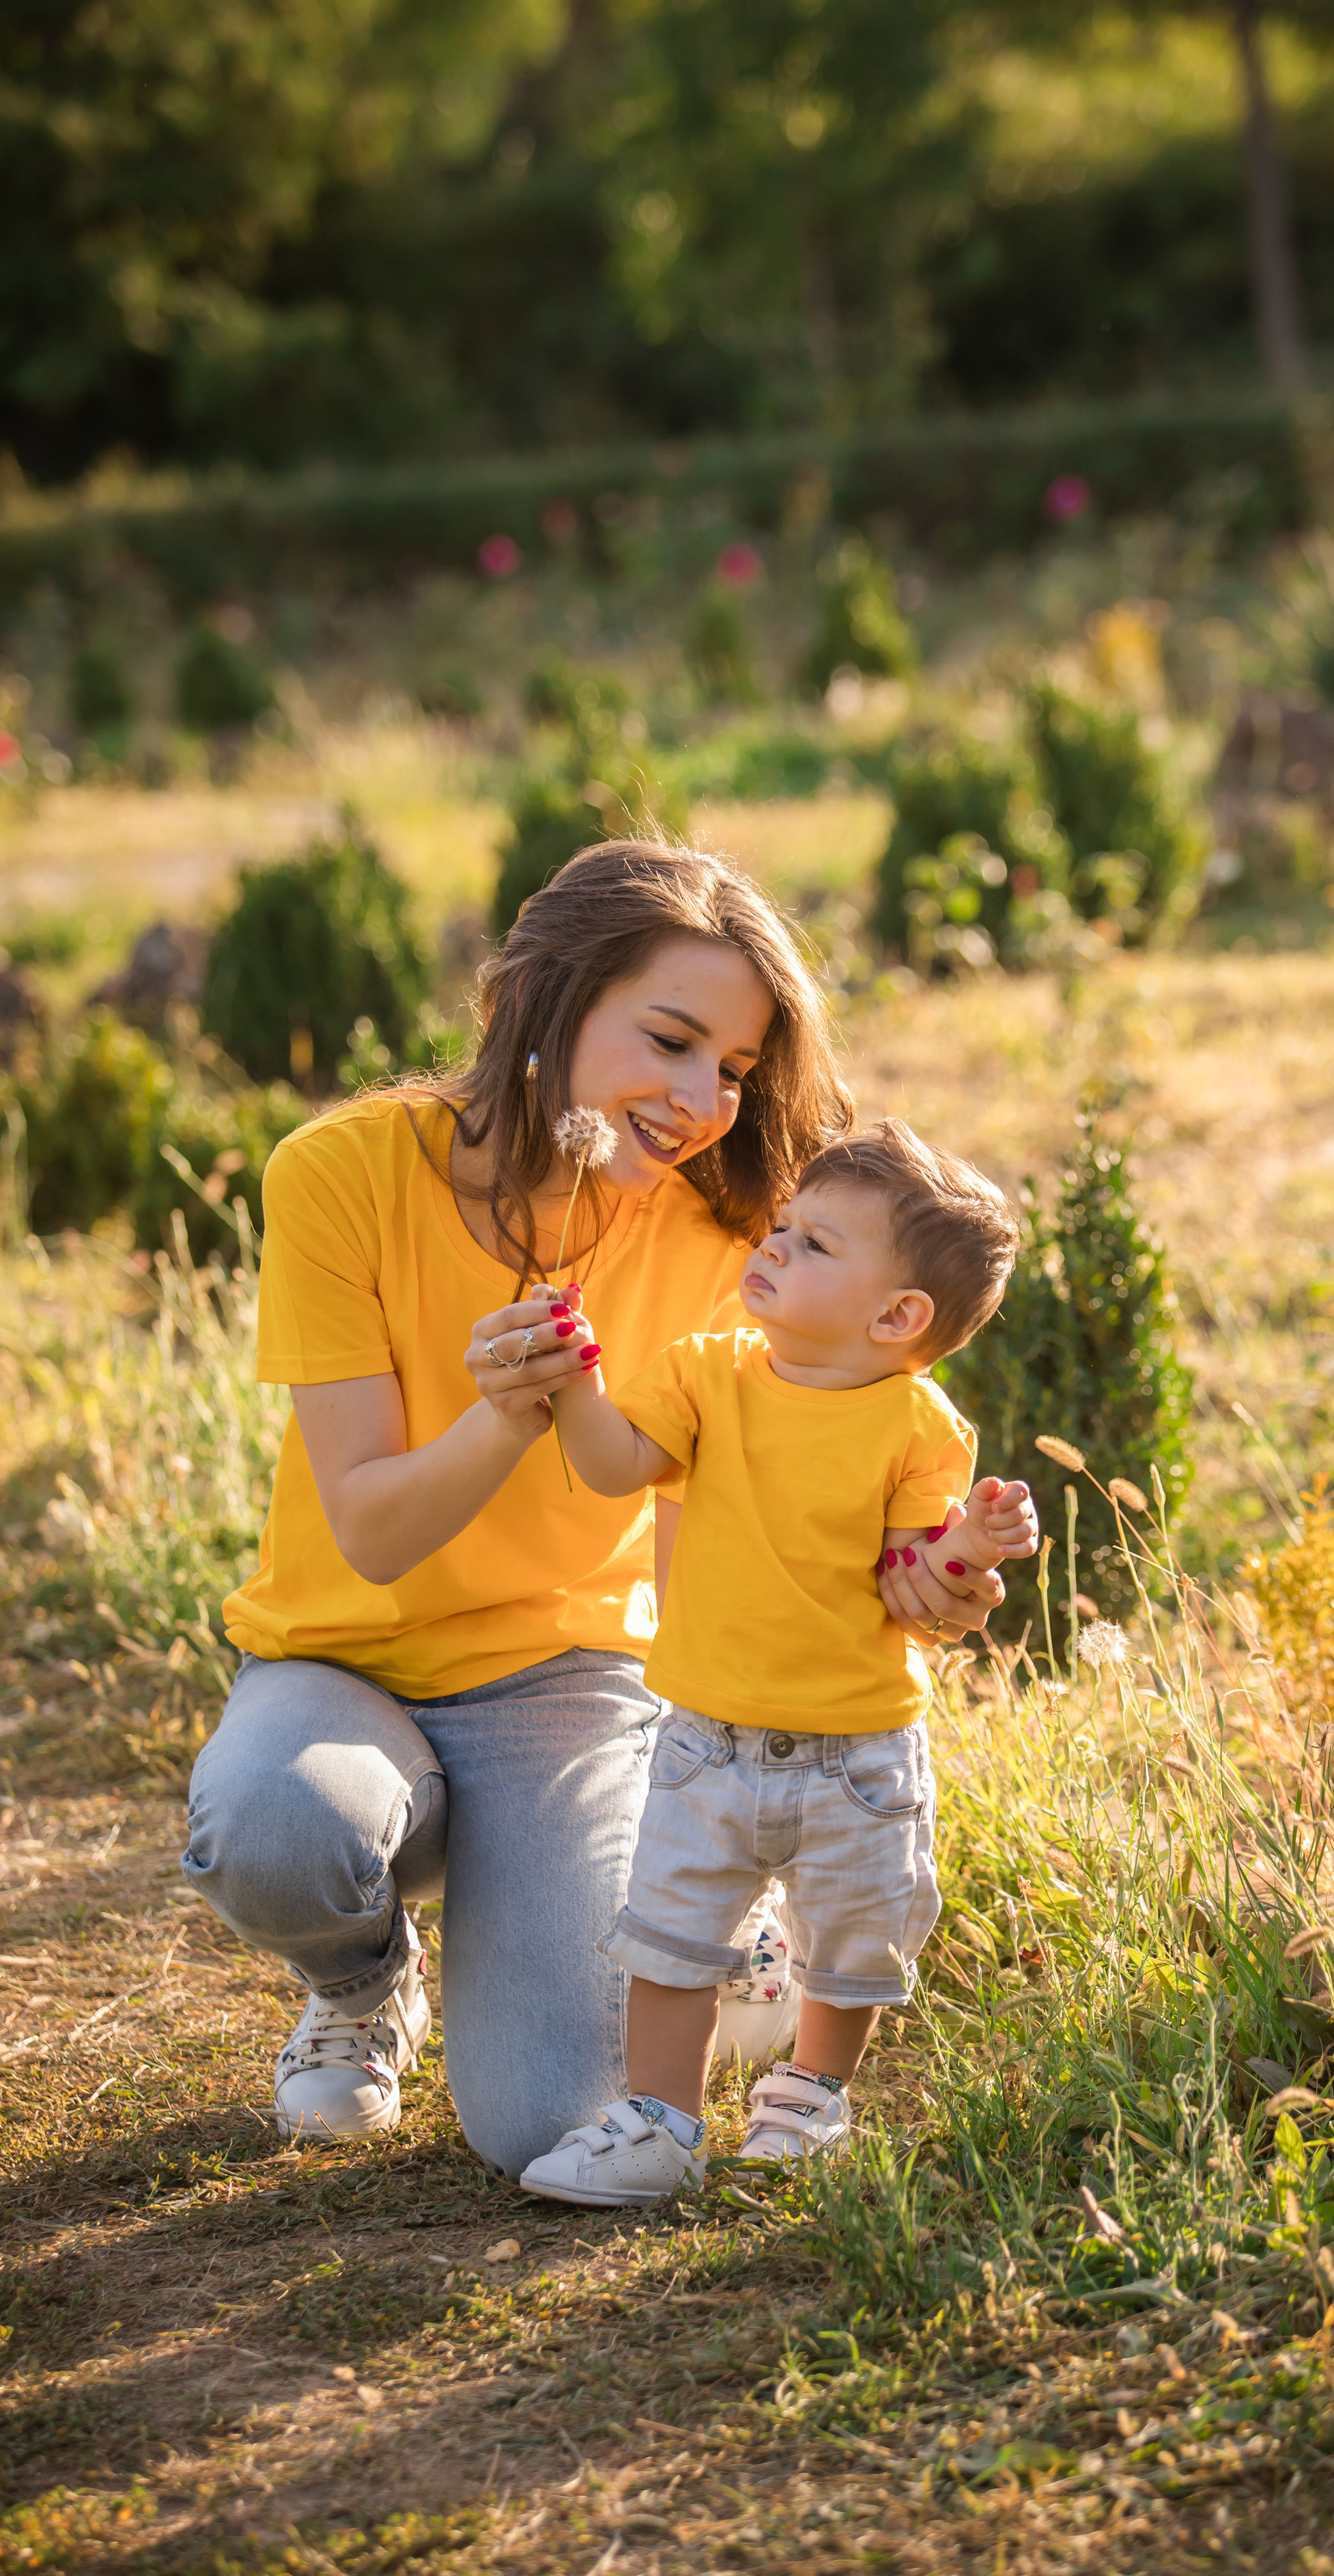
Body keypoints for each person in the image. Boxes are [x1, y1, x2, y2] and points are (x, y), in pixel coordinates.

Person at [179, 845, 1008, 2183]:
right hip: (337, 1665)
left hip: (564, 1686)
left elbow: (822, 1454)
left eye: (733, 1072)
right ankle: (361, 1984)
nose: (699, 1101)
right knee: (277, 1832)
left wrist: (924, 1577)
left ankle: (689, 1909)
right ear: (545, 1000)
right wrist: (508, 1409)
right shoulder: (338, 1174)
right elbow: (376, 1531)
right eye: (671, 1041)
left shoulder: (725, 1240)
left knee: (547, 2120)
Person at [516, 1120, 1039, 2208]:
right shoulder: (710, 1374)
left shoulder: (919, 1426)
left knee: (852, 1939)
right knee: (669, 1935)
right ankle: (660, 2122)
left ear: (898, 1317)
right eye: (786, 1225)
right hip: (707, 1736)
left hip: (858, 1749)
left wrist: (973, 1544)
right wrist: (573, 1381)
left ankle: (810, 2092)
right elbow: (616, 1464)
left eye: (813, 1245)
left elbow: (911, 1573)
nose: (775, 1245)